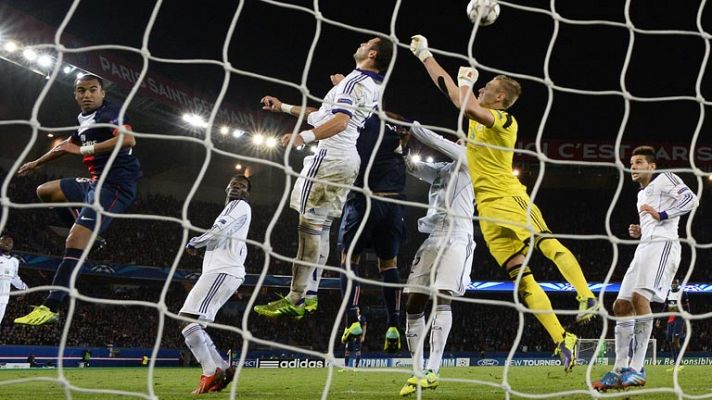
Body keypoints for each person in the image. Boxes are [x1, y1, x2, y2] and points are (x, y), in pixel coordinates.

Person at [409, 35, 598, 372]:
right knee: (521, 279)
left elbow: (464, 101)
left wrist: (467, 84)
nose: (482, 86)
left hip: (510, 198)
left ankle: (586, 295)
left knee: (546, 243)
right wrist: (424, 55)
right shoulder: (476, 115)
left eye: (489, 85)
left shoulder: (505, 123)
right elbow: (452, 92)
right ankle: (561, 338)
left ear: (499, 97)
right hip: (488, 213)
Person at [253, 36, 393, 319]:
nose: (361, 43)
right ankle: (312, 294)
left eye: (367, 43)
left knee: (308, 227)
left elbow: (339, 121)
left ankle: (296, 296)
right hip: (346, 160)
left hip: (329, 159)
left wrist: (302, 137)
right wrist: (282, 107)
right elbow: (322, 114)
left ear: (373, 53)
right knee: (324, 227)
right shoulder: (368, 84)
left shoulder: (353, 84)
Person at [15, 73, 142, 326]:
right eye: (81, 90)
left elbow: (128, 139)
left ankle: (51, 306)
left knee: (73, 241)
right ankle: (93, 237)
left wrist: (83, 150)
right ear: (75, 94)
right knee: (45, 191)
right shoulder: (84, 119)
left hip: (116, 186)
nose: (87, 95)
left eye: (93, 90)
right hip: (95, 184)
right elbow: (66, 146)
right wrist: (36, 163)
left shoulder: (111, 113)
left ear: (102, 93)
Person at [593, 146, 698, 391]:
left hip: (664, 246)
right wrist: (641, 230)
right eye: (631, 162)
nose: (633, 166)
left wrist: (662, 214)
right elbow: (653, 220)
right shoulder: (641, 195)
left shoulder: (666, 178)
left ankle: (638, 368)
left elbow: (691, 199)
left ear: (652, 166)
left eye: (639, 161)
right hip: (644, 246)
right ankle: (619, 369)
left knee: (641, 298)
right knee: (621, 305)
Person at [398, 123, 475, 396]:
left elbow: (438, 141)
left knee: (443, 294)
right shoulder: (443, 170)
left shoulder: (472, 161)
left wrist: (413, 126)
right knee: (413, 302)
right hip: (433, 237)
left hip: (458, 235)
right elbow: (412, 167)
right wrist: (403, 143)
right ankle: (416, 371)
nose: (460, 140)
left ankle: (433, 369)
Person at [336, 109, 410, 353]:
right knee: (389, 265)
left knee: (349, 261)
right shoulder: (397, 138)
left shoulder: (362, 123)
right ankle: (393, 325)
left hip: (363, 200)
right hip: (393, 205)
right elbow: (402, 130)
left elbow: (331, 117)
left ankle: (353, 318)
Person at [179, 175, 252, 394]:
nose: (237, 187)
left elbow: (220, 230)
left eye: (243, 186)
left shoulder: (239, 206)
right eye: (234, 184)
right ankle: (221, 369)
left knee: (185, 319)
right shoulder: (235, 209)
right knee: (195, 324)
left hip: (222, 271)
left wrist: (195, 242)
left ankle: (211, 371)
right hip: (226, 271)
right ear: (227, 187)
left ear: (247, 193)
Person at [660, 278, 690, 371]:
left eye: (675, 283)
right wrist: (659, 319)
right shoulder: (668, 293)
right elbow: (666, 306)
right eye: (672, 283)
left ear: (678, 284)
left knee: (675, 340)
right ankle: (675, 363)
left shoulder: (683, 293)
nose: (673, 285)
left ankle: (680, 364)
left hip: (679, 318)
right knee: (670, 341)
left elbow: (687, 308)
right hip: (670, 319)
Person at [0, 234, 29, 325]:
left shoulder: (14, 261)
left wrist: (24, 288)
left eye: (10, 242)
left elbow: (14, 278)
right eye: (5, 240)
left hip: (3, 300)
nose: (8, 243)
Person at [340, 307, 367, 371]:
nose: (356, 311)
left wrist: (363, 336)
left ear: (359, 310)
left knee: (358, 351)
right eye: (355, 310)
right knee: (347, 351)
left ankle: (356, 367)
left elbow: (364, 327)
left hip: (358, 337)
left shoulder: (362, 318)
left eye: (357, 310)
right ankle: (346, 367)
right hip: (350, 336)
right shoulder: (351, 317)